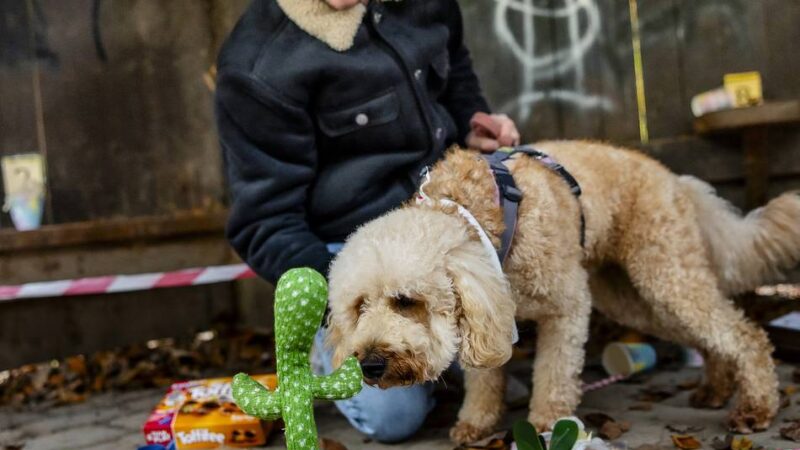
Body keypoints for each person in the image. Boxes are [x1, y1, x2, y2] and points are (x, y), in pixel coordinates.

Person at [215, 0, 520, 443]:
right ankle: (324, 351)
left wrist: (471, 124)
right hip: (347, 252)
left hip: (444, 223)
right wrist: (339, 304)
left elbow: (456, 79)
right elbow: (264, 222)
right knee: (394, 416)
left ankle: (449, 363)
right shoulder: (257, 66)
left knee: (501, 333)